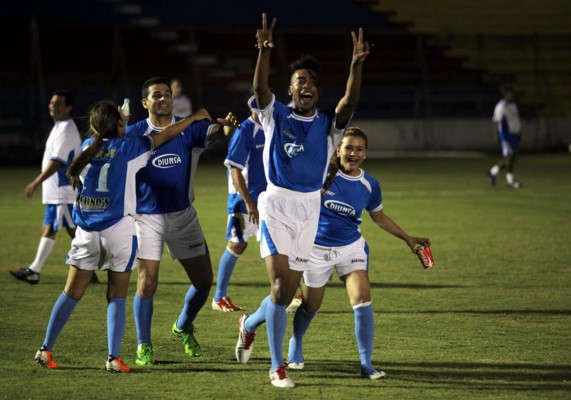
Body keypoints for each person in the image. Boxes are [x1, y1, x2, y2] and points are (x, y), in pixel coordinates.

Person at [234, 13, 371, 388]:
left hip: (310, 208)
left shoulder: (328, 124)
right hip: (276, 205)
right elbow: (260, 88)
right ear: (290, 91)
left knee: (287, 292)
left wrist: (356, 65)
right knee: (281, 287)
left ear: (317, 90)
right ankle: (277, 367)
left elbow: (351, 100)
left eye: (310, 81)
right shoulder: (275, 114)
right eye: (298, 82)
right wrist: (263, 50)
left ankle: (248, 324)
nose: (305, 86)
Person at [34, 100, 213, 372]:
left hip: (86, 233)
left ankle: (46, 348)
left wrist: (121, 121)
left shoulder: (86, 148)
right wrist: (193, 117)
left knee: (71, 293)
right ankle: (113, 358)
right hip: (118, 230)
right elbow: (164, 136)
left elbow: (107, 140)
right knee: (116, 295)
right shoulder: (131, 147)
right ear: (119, 125)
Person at [285, 127, 431, 380]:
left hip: (351, 248)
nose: (353, 153)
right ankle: (296, 343)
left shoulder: (369, 184)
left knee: (363, 299)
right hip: (315, 250)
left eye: (359, 149)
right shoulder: (320, 176)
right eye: (349, 147)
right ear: (338, 149)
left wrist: (408, 238)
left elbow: (379, 216)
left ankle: (366, 363)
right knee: (310, 305)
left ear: (365, 154)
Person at [128, 77, 238, 367]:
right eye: (156, 95)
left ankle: (183, 326)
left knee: (203, 282)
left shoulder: (189, 128)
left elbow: (216, 133)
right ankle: (144, 344)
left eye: (166, 94)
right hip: (146, 217)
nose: (163, 98)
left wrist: (226, 126)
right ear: (144, 103)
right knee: (146, 283)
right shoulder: (135, 133)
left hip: (183, 216)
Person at [9, 91, 101, 284]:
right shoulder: (60, 127)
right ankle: (89, 268)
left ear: (69, 108)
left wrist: (36, 182)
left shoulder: (66, 129)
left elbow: (58, 162)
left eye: (58, 104)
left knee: (53, 228)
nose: (53, 106)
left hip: (62, 190)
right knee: (72, 230)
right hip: (59, 192)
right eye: (52, 103)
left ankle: (35, 270)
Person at [213, 109, 266, 312]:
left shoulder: (271, 127)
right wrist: (249, 202)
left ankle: (289, 293)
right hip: (243, 202)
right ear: (252, 105)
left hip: (267, 201)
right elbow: (234, 171)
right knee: (236, 245)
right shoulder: (244, 131)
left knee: (277, 248)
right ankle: (219, 298)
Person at [487, 84, 522, 189]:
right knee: (510, 157)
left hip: (514, 134)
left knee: (512, 158)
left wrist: (519, 133)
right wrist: (496, 135)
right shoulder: (501, 106)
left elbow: (516, 120)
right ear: (506, 94)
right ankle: (510, 181)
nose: (513, 96)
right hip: (505, 135)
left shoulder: (513, 105)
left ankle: (492, 172)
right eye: (511, 94)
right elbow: (496, 121)